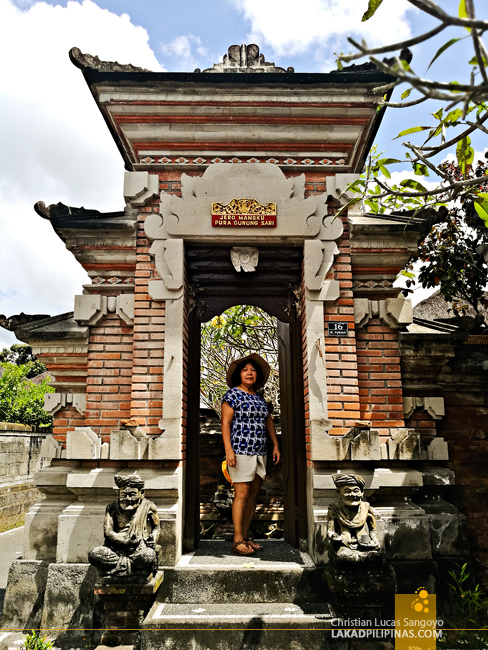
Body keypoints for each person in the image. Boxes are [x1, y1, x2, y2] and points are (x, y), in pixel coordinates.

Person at [221, 353, 281, 556]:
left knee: (253, 494)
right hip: (240, 451)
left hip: (260, 452)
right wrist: (229, 450)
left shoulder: (259, 397)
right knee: (242, 493)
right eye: (245, 370)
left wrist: (275, 446)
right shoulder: (232, 395)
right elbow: (225, 424)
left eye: (253, 370)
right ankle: (237, 540)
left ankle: (246, 537)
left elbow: (268, 421)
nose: (249, 373)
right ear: (239, 374)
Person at [88, 474, 160, 582]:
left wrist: (152, 540)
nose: (127, 499)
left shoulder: (149, 506)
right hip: (115, 549)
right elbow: (108, 532)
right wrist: (125, 541)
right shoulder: (112, 508)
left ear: (142, 493)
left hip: (138, 549)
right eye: (123, 495)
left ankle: (118, 567)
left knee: (148, 556)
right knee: (94, 554)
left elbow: (156, 528)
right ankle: (132, 567)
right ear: (118, 494)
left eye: (132, 494)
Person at [326, 473, 380, 563]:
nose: (352, 494)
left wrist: (375, 540)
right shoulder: (334, 509)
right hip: (344, 541)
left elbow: (373, 530)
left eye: (356, 491)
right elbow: (330, 531)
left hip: (364, 539)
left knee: (375, 557)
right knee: (345, 557)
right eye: (347, 491)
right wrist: (334, 537)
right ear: (339, 493)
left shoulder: (366, 508)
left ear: (362, 493)